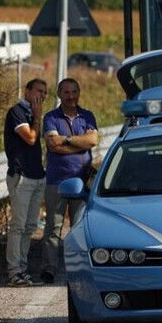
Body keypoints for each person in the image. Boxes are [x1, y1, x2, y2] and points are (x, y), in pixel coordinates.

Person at [40, 78, 99, 284]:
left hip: (82, 180)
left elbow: (93, 140)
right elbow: (52, 145)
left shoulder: (88, 116)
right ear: (59, 94)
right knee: (53, 227)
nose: (71, 96)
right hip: (56, 179)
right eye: (66, 92)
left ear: (79, 92)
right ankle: (50, 268)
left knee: (79, 228)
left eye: (74, 92)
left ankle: (78, 268)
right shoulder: (50, 117)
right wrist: (80, 143)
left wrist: (65, 139)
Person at [3, 78, 48, 287]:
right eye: (38, 91)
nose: (41, 96)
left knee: (30, 226)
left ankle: (22, 269)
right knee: (18, 226)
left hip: (37, 175)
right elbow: (30, 138)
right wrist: (37, 118)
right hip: (21, 176)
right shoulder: (17, 112)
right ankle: (14, 272)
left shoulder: (32, 115)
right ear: (27, 91)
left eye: (45, 93)